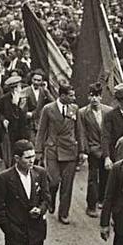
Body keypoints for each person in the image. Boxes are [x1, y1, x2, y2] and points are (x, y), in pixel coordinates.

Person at [35, 83, 80, 224]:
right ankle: (50, 198)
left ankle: (63, 213)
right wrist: (38, 151)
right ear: (62, 96)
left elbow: (79, 130)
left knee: (67, 185)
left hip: (70, 150)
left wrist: (83, 151)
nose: (74, 98)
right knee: (53, 181)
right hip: (53, 149)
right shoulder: (48, 109)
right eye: (71, 95)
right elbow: (41, 131)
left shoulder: (74, 109)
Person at [77, 82, 112, 217]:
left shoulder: (108, 111)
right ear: (88, 97)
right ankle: (91, 205)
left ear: (101, 97)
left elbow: (109, 132)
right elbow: (82, 133)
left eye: (97, 96)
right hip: (92, 150)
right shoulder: (82, 113)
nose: (94, 99)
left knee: (106, 176)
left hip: (106, 150)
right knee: (93, 178)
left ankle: (101, 199)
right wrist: (85, 150)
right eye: (92, 96)